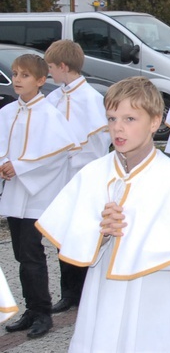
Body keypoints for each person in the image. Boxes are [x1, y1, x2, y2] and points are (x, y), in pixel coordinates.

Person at [36, 77, 170, 352]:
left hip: (153, 295)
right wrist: (100, 233)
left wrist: (137, 233)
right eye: (112, 118)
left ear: (154, 122)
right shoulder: (94, 174)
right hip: (102, 292)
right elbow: (69, 236)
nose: (118, 127)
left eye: (130, 118)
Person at [0, 54, 79, 339]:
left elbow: (58, 153)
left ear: (41, 81)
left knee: (33, 254)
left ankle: (42, 312)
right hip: (15, 192)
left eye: (25, 75)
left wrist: (19, 166)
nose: (18, 80)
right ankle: (31, 309)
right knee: (21, 254)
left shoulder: (49, 114)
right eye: (16, 74)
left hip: (37, 195)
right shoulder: (8, 112)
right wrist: (3, 163)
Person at [44, 40, 110, 314]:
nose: (49, 74)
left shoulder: (91, 98)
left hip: (84, 174)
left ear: (63, 66)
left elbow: (101, 138)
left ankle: (85, 289)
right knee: (63, 233)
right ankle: (68, 291)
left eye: (50, 68)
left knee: (85, 231)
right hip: (60, 177)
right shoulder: (54, 97)